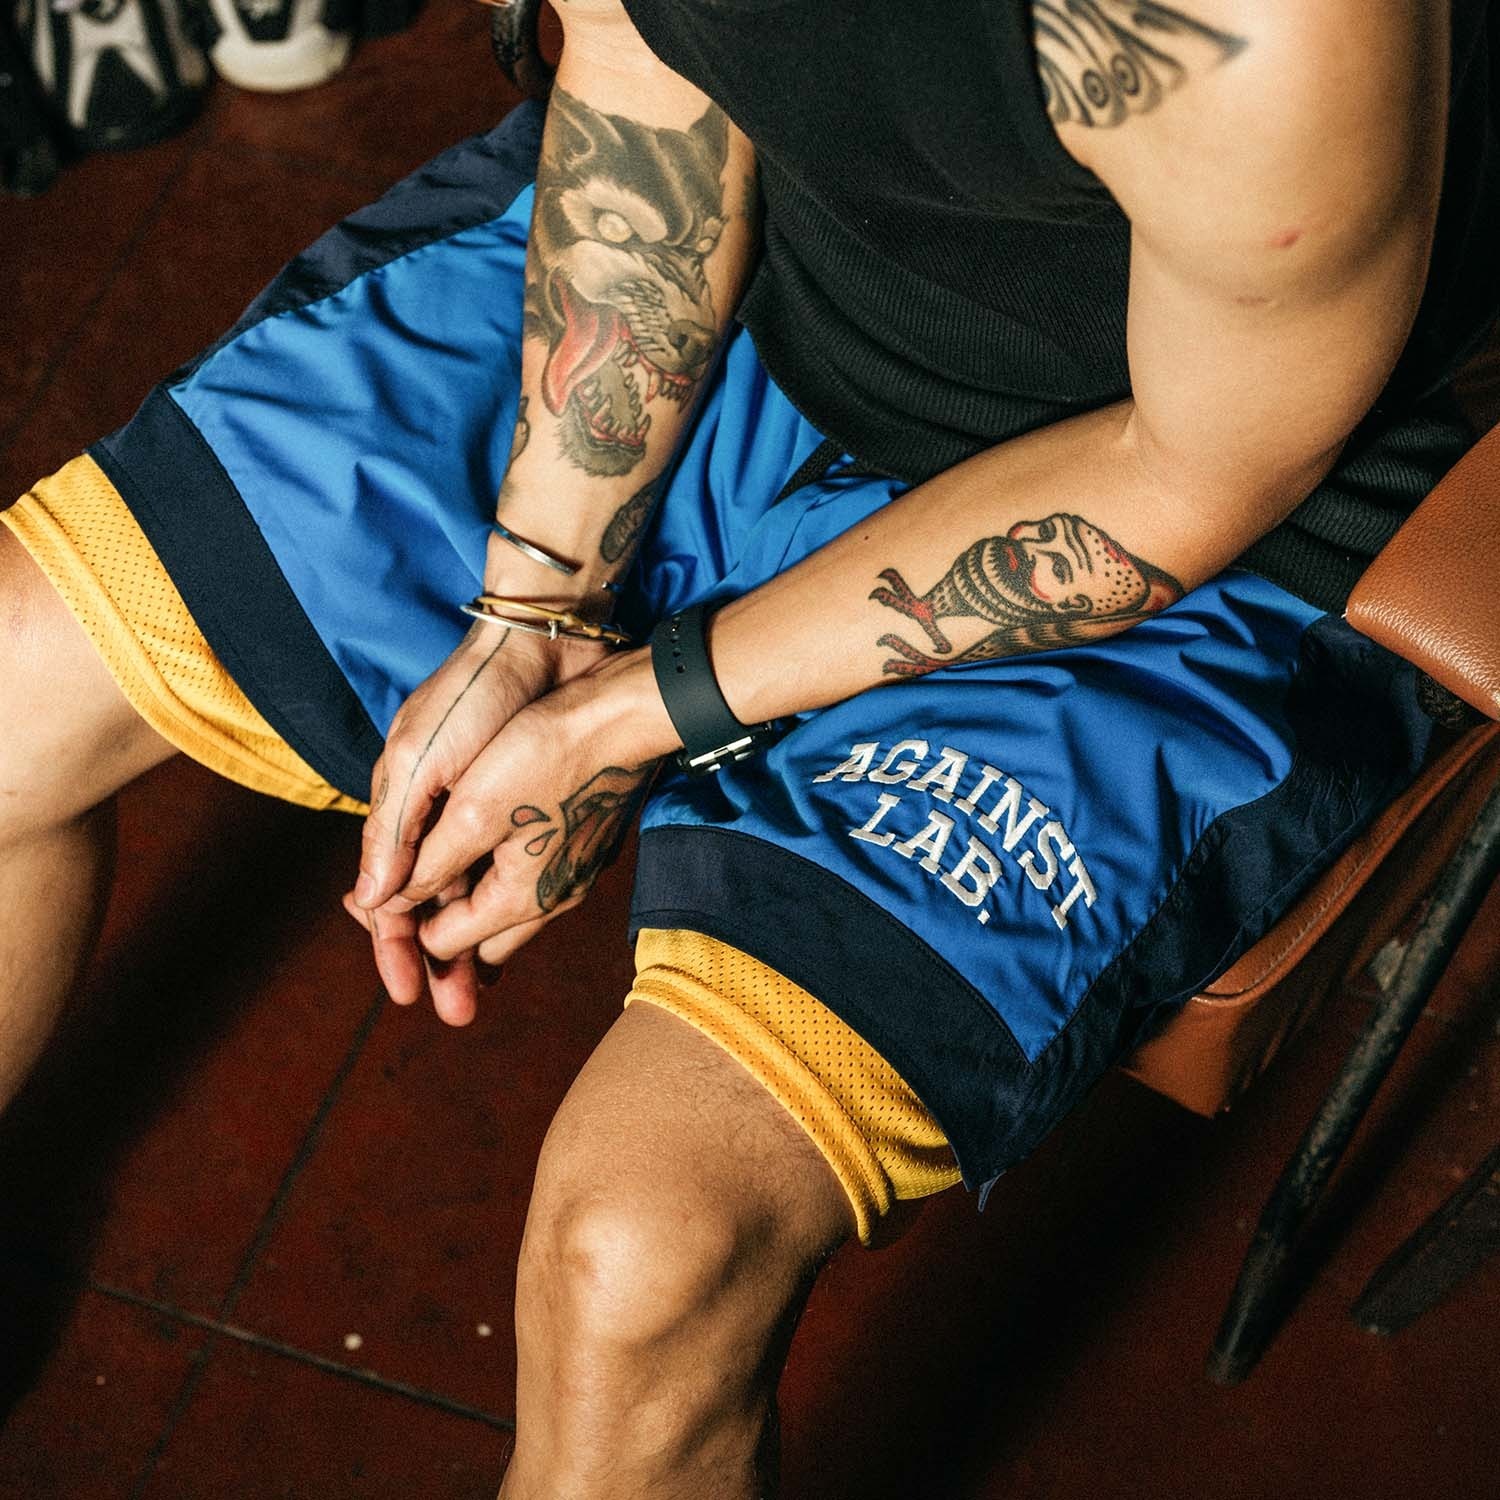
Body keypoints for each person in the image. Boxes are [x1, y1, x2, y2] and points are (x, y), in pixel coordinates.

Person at [2, 0, 1497, 1493]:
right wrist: (539, 603)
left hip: (1209, 500)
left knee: (644, 1259)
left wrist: (627, 711)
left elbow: (1191, 477)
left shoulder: (1260, 27)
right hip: (801, 250)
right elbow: (644, 64)